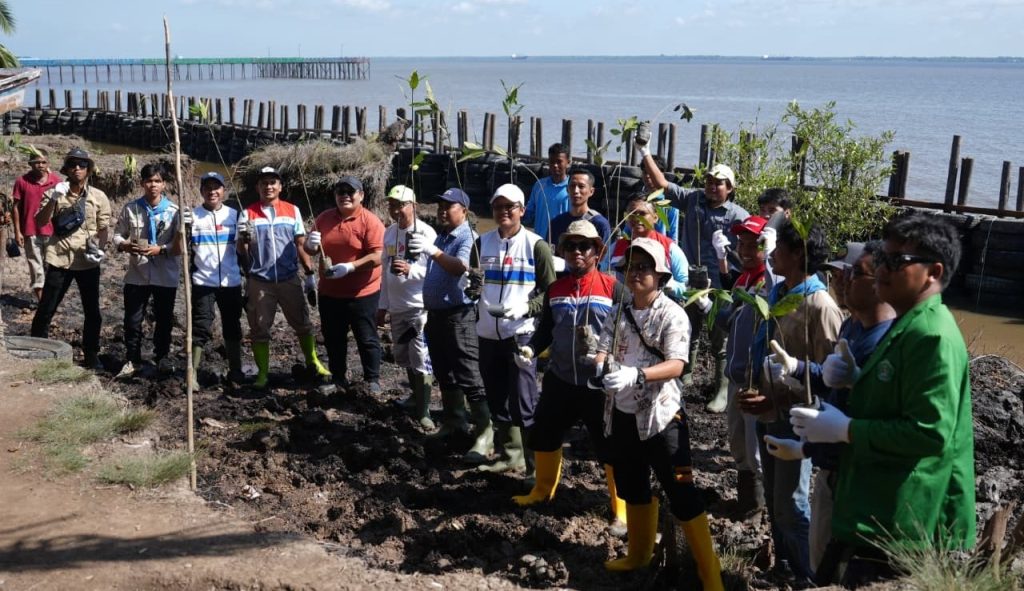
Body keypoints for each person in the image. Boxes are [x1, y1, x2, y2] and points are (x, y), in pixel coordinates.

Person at [790, 212, 975, 588]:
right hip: (877, 508)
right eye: (882, 260)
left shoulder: (931, 336)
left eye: (896, 261)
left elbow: (929, 433)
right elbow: (896, 400)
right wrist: (857, 381)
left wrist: (846, 430)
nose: (882, 270)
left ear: (933, 272)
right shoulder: (907, 326)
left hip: (905, 518)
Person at [595, 238, 723, 590]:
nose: (635, 273)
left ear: (660, 276)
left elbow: (678, 364)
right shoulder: (618, 313)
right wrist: (601, 365)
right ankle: (638, 554)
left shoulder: (672, 314)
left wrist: (636, 374)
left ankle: (710, 574)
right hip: (622, 413)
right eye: (630, 267)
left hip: (661, 416)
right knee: (632, 485)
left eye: (643, 267)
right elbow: (603, 349)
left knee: (681, 491)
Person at [764, 241, 896, 574]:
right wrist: (796, 368)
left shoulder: (892, 340)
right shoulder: (851, 326)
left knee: (843, 567)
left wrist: (853, 387)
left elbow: (887, 416)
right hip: (832, 470)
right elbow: (829, 380)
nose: (842, 280)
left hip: (862, 480)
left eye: (853, 273)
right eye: (840, 273)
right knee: (821, 558)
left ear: (883, 280)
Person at [740, 220, 842, 585]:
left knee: (790, 505)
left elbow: (831, 381)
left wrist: (779, 393)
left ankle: (809, 576)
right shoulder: (780, 293)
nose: (771, 254)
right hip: (770, 412)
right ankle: (784, 566)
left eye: (778, 247)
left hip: (797, 420)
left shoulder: (820, 304)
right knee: (773, 499)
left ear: (798, 253)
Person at [511, 220, 629, 535]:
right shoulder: (555, 290)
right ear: (562, 251)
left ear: (597, 252)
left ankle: (621, 509)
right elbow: (545, 331)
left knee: (611, 444)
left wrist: (611, 359)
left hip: (600, 384)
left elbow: (630, 331)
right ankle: (542, 490)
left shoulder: (613, 288)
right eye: (571, 246)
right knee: (545, 433)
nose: (577, 252)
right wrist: (530, 349)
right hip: (560, 379)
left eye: (584, 246)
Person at [637, 130, 749, 410]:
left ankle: (721, 388)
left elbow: (750, 252)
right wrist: (644, 151)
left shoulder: (738, 216)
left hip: (721, 285)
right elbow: (662, 185)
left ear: (730, 188)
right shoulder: (693, 199)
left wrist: (730, 254)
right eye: (709, 181)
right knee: (689, 330)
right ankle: (684, 376)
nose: (712, 186)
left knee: (720, 338)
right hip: (692, 281)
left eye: (718, 183)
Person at [468, 183, 556, 472]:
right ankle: (510, 455)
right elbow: (473, 283)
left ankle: (534, 467)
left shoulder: (536, 246)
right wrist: (472, 289)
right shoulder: (481, 243)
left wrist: (526, 308)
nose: (503, 211)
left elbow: (551, 292)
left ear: (522, 210)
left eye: (510, 206)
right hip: (487, 333)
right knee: (496, 398)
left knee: (524, 400)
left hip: (521, 334)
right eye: (498, 206)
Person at [697, 215, 778, 518]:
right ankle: (747, 502)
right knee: (739, 443)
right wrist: (707, 305)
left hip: (755, 379)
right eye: (741, 244)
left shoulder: (767, 281)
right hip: (737, 376)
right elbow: (731, 321)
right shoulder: (744, 280)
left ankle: (759, 510)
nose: (744, 251)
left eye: (752, 245)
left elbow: (776, 299)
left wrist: (770, 260)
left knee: (756, 449)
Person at [237, 166, 330, 390]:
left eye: (273, 182)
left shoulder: (292, 210)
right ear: (257, 187)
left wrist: (309, 274)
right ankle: (262, 373)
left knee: (303, 324)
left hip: (289, 278)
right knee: (259, 329)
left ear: (280, 186)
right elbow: (241, 251)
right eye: (264, 183)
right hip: (260, 281)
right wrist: (242, 238)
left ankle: (313, 362)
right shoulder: (247, 213)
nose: (268, 186)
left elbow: (300, 244)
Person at [411, 188, 487, 443]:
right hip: (437, 315)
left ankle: (483, 432)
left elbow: (461, 267)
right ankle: (454, 422)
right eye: (440, 207)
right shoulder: (443, 236)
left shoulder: (468, 236)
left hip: (459, 315)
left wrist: (432, 251)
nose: (442, 211)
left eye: (448, 207)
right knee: (444, 371)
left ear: (464, 211)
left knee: (468, 372)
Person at [30, 148, 112, 369]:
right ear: (66, 169)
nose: (77, 168)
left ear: (88, 169)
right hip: (60, 259)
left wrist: (101, 249)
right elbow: (40, 222)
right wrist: (54, 198)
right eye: (73, 164)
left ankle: (91, 353)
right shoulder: (55, 192)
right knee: (46, 308)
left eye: (82, 165)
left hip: (87, 261)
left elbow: (103, 228)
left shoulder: (98, 197)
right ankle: (36, 348)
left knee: (92, 312)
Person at [305, 176, 385, 393]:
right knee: (333, 338)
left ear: (361, 195)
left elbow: (378, 256)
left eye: (350, 192)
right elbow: (311, 249)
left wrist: (350, 267)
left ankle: (372, 379)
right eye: (340, 192)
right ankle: (339, 378)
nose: (345, 196)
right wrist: (310, 245)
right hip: (330, 292)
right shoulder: (324, 218)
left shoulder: (370, 221)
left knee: (366, 337)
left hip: (362, 293)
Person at [112, 162, 183, 376]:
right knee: (132, 320)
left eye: (157, 181)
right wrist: (124, 245)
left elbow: (180, 245)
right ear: (142, 183)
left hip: (165, 274)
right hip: (137, 274)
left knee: (164, 319)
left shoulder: (175, 212)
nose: (153, 185)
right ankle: (133, 359)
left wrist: (161, 249)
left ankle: (161, 357)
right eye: (149, 181)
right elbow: (117, 235)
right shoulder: (131, 208)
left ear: (164, 184)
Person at [377, 185, 438, 429]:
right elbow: (385, 272)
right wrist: (382, 306)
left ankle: (424, 410)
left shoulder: (426, 233)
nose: (395, 210)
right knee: (404, 356)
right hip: (397, 306)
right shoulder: (389, 233)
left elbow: (436, 272)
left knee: (421, 356)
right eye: (392, 205)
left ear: (414, 206)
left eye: (400, 205)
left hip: (418, 306)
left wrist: (411, 270)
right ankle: (415, 396)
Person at [184, 171, 245, 388]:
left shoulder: (235, 215)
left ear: (223, 191)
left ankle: (235, 370)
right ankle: (192, 373)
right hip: (203, 282)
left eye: (216, 187)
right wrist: (183, 228)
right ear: (201, 191)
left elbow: (243, 250)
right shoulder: (193, 216)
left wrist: (246, 235)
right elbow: (181, 249)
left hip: (231, 281)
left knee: (232, 325)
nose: (212, 192)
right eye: (207, 188)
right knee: (200, 326)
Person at [609, 194, 687, 299]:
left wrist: (665, 283)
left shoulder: (669, 248)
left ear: (655, 217)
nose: (637, 218)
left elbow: (686, 288)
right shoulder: (616, 247)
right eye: (632, 213)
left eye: (642, 214)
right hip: (620, 306)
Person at [12, 150, 62, 302]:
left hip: (52, 232)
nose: (40, 165)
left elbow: (62, 207)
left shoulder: (56, 181)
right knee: (36, 268)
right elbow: (15, 207)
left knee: (53, 267)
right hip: (30, 231)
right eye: (36, 162)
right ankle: (43, 303)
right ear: (30, 164)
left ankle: (51, 300)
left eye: (43, 162)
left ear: (48, 163)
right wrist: (17, 231)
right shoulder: (22, 181)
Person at [548, 168, 611, 245]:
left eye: (581, 186)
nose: (576, 191)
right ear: (567, 189)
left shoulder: (600, 224)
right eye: (572, 186)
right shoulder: (556, 223)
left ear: (591, 191)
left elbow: (604, 252)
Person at [523, 143, 570, 243]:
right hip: (539, 241)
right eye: (552, 162)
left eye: (559, 162)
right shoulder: (539, 185)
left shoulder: (572, 188)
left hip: (563, 245)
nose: (555, 165)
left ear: (568, 163)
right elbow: (529, 214)